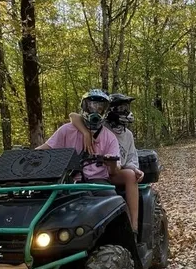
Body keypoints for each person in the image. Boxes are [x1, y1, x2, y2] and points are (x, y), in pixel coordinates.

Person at [67, 92, 144, 234]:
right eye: (121, 108)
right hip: (96, 171)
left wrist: (134, 168)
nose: (126, 111)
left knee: (131, 175)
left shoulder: (128, 135)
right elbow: (74, 116)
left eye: (126, 107)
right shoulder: (102, 126)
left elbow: (132, 157)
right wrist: (85, 132)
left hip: (115, 170)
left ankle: (133, 226)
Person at [37, 89, 120, 183]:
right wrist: (26, 156)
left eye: (99, 109)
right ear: (84, 107)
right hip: (68, 182)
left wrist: (112, 163)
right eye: (91, 107)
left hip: (98, 181)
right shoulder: (67, 130)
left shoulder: (110, 137)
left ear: (105, 111)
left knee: (113, 197)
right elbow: (45, 149)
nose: (95, 111)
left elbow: (115, 171)